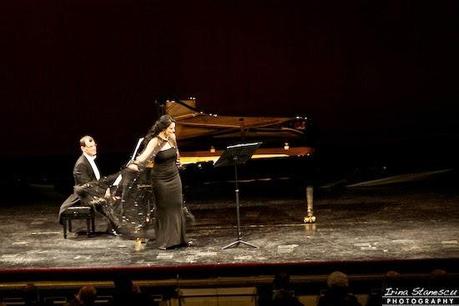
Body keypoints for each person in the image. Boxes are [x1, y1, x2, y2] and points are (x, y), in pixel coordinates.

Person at [127, 115, 189, 249]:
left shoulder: (172, 138)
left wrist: (178, 161)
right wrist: (134, 164)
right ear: (164, 128)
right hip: (160, 179)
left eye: (174, 128)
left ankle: (179, 239)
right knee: (165, 208)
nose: (174, 130)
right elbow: (143, 158)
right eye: (171, 128)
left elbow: (176, 154)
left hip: (174, 177)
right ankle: (167, 241)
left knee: (177, 205)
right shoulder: (155, 141)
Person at [58, 136, 118, 235]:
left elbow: (96, 182)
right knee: (107, 201)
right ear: (83, 148)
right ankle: (115, 227)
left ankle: (114, 226)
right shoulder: (81, 164)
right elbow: (87, 187)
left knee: (116, 195)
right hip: (84, 196)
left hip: (92, 191)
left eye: (94, 145)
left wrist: (108, 189)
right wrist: (105, 193)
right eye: (90, 146)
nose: (94, 148)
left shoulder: (89, 160)